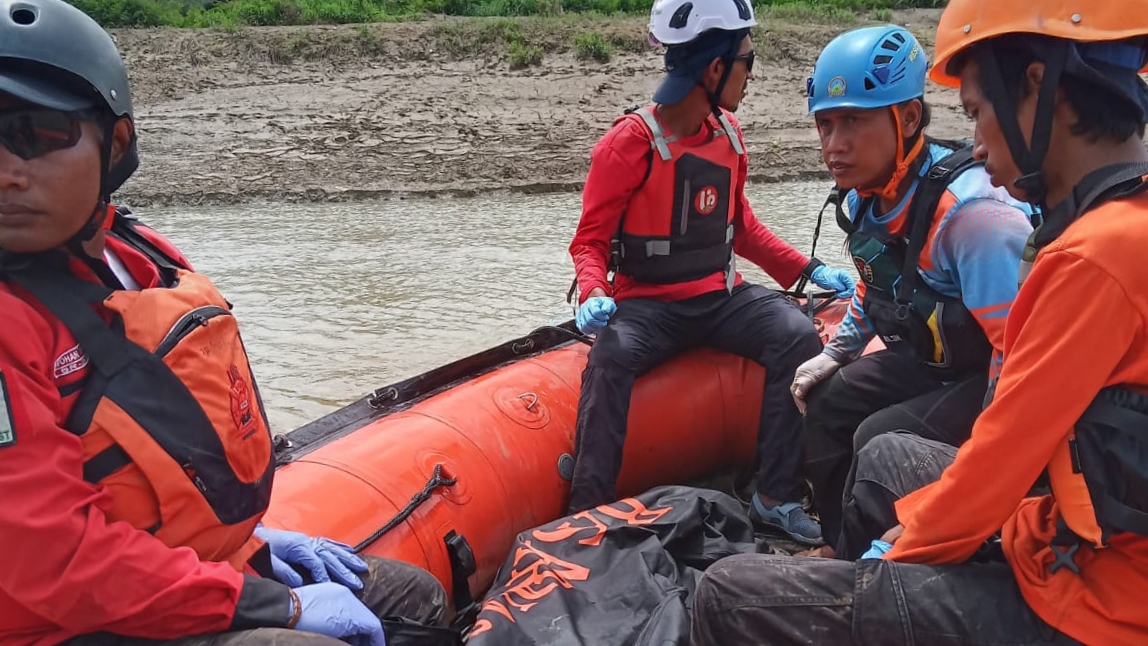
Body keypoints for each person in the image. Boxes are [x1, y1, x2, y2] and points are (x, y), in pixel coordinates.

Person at [690, 0, 1148, 643]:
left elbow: (1002, 454)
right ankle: (846, 558)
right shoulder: (1112, 226)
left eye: (977, 113)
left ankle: (856, 577)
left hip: (1098, 597)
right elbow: (878, 291)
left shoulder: (1080, 254)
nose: (978, 142)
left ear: (1039, 89)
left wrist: (895, 558)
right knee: (882, 454)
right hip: (1065, 530)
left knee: (728, 596)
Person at [0, 1, 448, 644]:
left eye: (36, 132)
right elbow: (53, 561)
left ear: (115, 144)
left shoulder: (141, 258)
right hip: (80, 620)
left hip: (193, 565)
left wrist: (258, 537)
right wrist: (278, 608)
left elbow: (176, 442)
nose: (6, 173)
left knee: (415, 595)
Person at [565, 0, 856, 545]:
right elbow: (590, 241)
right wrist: (593, 291)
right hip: (647, 307)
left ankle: (776, 497)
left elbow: (741, 228)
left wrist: (810, 267)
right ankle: (584, 517)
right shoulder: (626, 144)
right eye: (747, 60)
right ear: (715, 68)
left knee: (795, 334)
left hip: (721, 298)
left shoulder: (729, 134)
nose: (751, 73)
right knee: (610, 358)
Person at [789, 24, 1034, 556]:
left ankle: (873, 561)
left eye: (853, 121)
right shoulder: (862, 200)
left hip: (986, 374)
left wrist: (992, 449)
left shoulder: (975, 218)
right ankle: (840, 543)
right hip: (932, 360)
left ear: (907, 118)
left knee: (877, 435)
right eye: (825, 125)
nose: (834, 146)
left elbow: (1017, 354)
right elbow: (876, 282)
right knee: (828, 402)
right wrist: (836, 353)